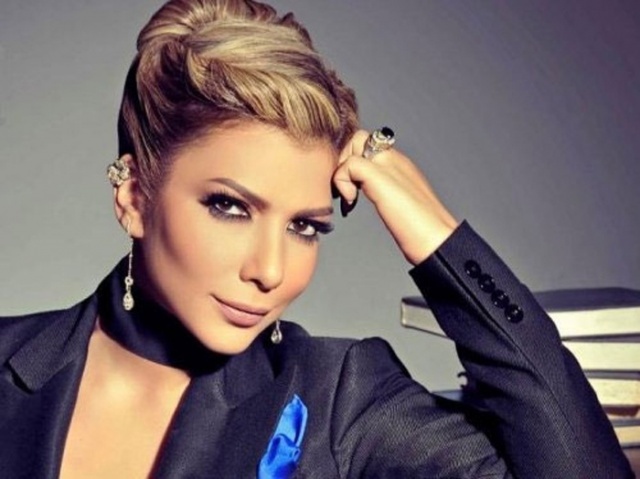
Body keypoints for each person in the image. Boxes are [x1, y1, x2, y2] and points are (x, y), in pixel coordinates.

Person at [0, 0, 632, 477]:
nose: (271, 271)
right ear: (135, 197)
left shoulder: (340, 398)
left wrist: (439, 239)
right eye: (229, 207)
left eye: (304, 226)